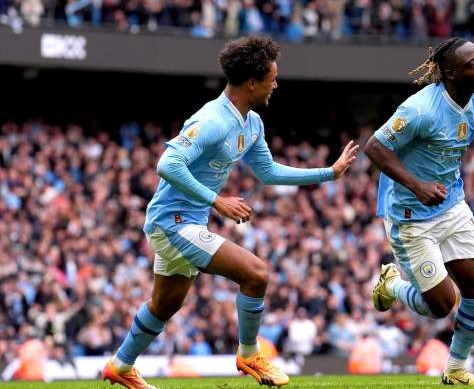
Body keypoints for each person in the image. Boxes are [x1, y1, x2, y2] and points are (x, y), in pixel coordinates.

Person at [102, 34, 359, 388]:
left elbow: (268, 172)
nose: (276, 85)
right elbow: (168, 164)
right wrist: (217, 200)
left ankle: (121, 365)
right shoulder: (212, 120)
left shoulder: (251, 124)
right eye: (272, 79)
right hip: (172, 222)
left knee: (165, 305)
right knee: (256, 274)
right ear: (252, 82)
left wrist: (328, 173)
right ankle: (250, 354)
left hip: (186, 222)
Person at [365, 37, 474, 385]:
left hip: (452, 207)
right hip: (410, 216)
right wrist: (417, 185)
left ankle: (456, 368)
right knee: (441, 304)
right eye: (473, 63)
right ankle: (392, 286)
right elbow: (375, 147)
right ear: (451, 73)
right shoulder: (421, 109)